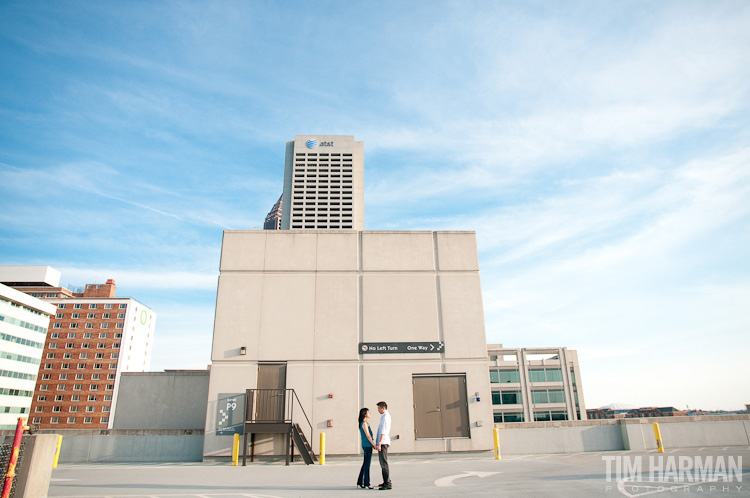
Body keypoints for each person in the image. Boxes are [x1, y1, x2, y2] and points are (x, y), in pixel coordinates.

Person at [357, 407, 376, 489]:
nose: (369, 413)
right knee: (367, 464)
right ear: (365, 414)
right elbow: (368, 435)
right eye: (368, 412)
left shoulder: (364, 423)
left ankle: (360, 481)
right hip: (367, 445)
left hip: (366, 445)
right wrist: (373, 444)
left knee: (365, 463)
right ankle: (367, 483)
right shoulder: (364, 423)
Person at [375, 401, 392, 490]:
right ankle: (385, 481)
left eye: (378, 408)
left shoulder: (385, 417)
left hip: (383, 443)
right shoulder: (384, 417)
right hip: (382, 442)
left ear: (383, 408)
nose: (378, 410)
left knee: (384, 463)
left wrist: (379, 443)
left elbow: (383, 431)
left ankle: (387, 483)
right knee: (382, 463)